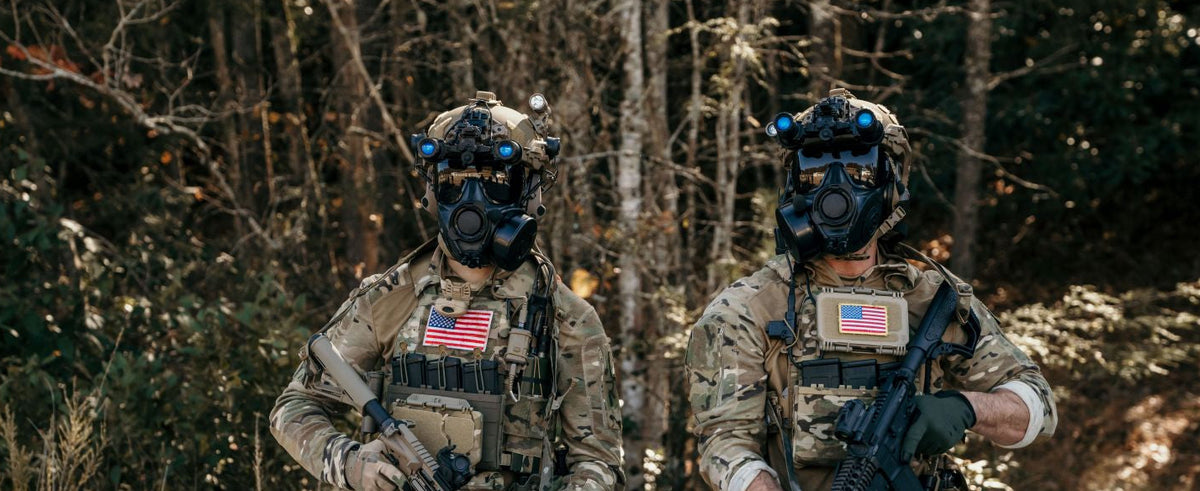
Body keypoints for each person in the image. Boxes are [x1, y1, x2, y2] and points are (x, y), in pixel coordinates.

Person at [685, 88, 1057, 491]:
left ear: (892, 182)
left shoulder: (933, 299)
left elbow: (1038, 407)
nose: (836, 189)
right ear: (794, 189)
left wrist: (966, 408)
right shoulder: (750, 309)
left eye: (859, 169)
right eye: (814, 171)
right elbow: (724, 442)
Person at [271, 91, 624, 491]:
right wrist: (350, 465)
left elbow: (597, 463)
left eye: (495, 182)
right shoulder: (389, 298)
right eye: (453, 181)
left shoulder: (564, 318)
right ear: (432, 192)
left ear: (529, 191)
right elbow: (295, 407)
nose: (471, 204)